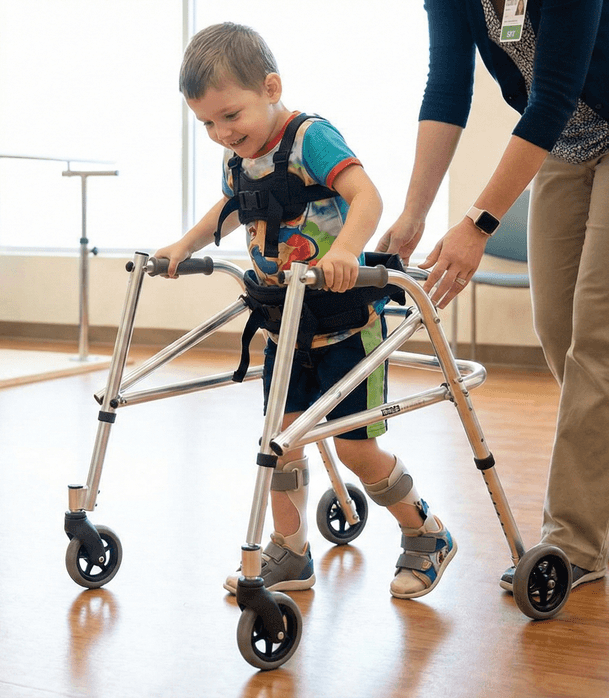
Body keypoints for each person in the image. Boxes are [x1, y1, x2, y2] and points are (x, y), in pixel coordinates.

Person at [378, 0, 609, 591]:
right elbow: (447, 88)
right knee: (559, 325)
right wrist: (415, 213)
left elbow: (554, 92)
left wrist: (479, 223)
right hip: (565, 137)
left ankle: (573, 543)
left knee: (606, 335)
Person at [155, 22, 455, 600]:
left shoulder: (309, 138)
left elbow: (367, 196)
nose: (222, 133)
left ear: (271, 88)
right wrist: (184, 245)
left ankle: (426, 532)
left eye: (230, 115)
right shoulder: (240, 157)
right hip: (286, 326)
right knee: (280, 443)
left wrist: (345, 251)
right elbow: (231, 207)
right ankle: (290, 551)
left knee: (355, 449)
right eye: (207, 124)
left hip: (346, 325)